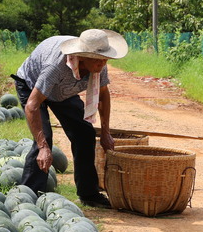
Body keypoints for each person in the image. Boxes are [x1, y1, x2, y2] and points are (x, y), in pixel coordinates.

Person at [11, 29, 129, 209]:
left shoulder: (99, 67)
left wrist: (106, 132)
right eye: (98, 60)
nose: (102, 64)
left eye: (105, 59)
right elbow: (32, 105)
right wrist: (43, 147)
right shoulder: (55, 67)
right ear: (82, 56)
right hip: (32, 85)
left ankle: (89, 194)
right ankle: (29, 198)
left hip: (63, 92)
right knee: (44, 139)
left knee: (84, 133)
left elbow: (103, 96)